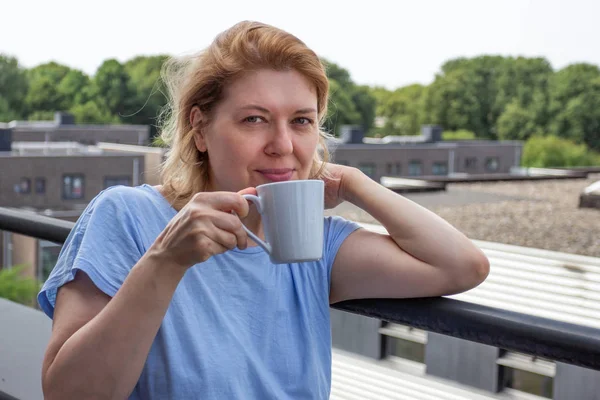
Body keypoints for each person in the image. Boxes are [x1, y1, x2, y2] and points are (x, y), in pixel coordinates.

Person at [38, 21, 490, 399]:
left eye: (302, 121)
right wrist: (166, 261)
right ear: (200, 128)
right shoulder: (127, 216)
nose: (283, 145)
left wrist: (353, 183)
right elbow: (67, 393)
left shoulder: (313, 243)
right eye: (254, 119)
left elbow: (462, 265)